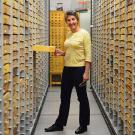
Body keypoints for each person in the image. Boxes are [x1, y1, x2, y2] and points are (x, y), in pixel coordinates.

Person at [45, 10, 91, 134]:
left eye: (73, 19)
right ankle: (59, 124)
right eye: (69, 20)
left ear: (77, 20)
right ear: (66, 22)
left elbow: (88, 55)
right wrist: (61, 53)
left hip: (79, 69)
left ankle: (84, 125)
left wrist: (86, 72)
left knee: (82, 98)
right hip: (67, 69)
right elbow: (71, 51)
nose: (71, 22)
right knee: (64, 97)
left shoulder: (84, 34)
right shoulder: (69, 34)